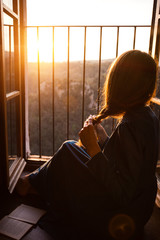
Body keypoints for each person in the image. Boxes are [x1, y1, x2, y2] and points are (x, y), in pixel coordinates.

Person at [16, 50, 159, 240]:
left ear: (120, 84)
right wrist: (104, 138)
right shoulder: (147, 116)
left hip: (120, 215)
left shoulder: (130, 126)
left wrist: (93, 149)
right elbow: (125, 164)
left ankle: (31, 183)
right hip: (139, 210)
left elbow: (122, 193)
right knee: (71, 148)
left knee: (68, 150)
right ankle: (34, 182)